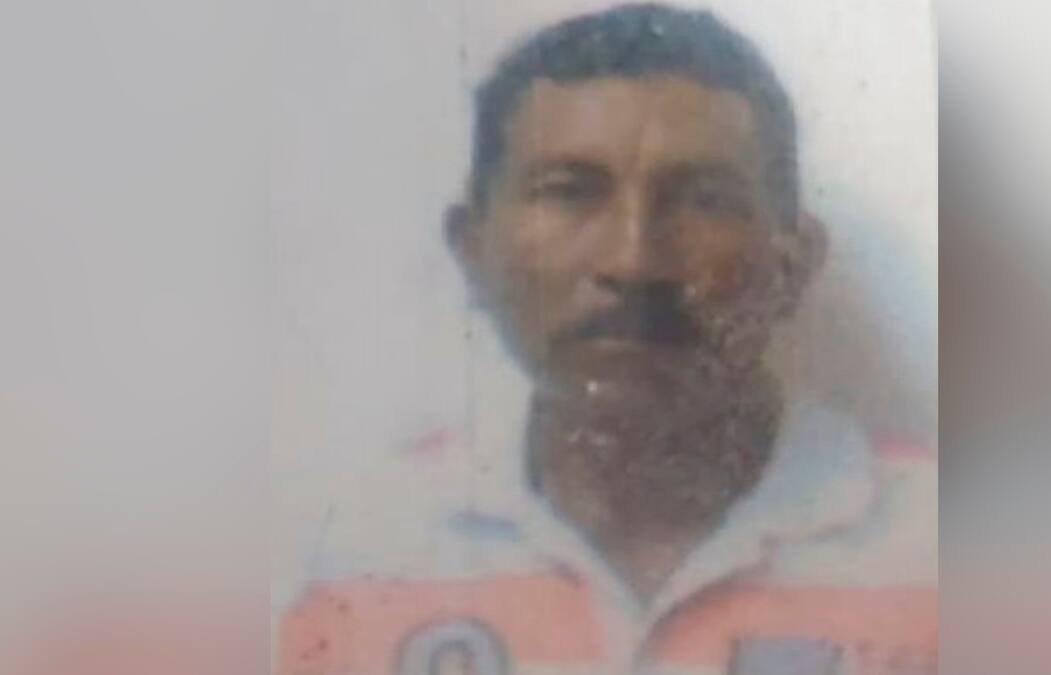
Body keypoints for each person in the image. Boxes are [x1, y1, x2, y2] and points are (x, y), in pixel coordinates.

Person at [277, 4, 935, 674]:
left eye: (703, 198)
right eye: (569, 192)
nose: (633, 260)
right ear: (473, 251)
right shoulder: (360, 548)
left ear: (793, 265)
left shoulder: (932, 546)